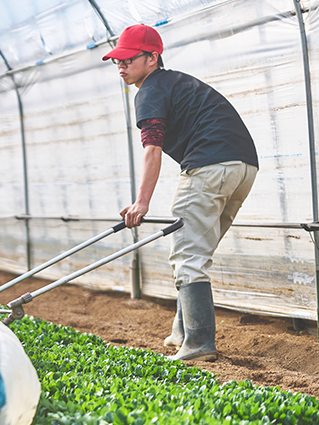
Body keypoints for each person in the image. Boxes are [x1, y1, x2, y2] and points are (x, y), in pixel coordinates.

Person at [103, 25, 258, 362]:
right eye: (117, 59)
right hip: (244, 168)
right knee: (194, 253)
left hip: (210, 166)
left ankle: (199, 343)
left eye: (128, 59)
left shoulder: (150, 89)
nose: (121, 65)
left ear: (152, 57)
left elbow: (152, 150)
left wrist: (141, 202)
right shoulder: (178, 81)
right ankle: (181, 332)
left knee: (187, 256)